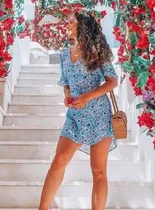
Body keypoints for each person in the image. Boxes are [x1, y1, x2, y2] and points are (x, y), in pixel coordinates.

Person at [38, 11, 118, 210]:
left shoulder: (98, 51)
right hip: (74, 115)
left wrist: (86, 97)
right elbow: (65, 83)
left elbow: (112, 81)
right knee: (59, 160)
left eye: (72, 22)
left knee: (98, 171)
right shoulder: (65, 54)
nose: (67, 24)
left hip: (99, 115)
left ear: (83, 26)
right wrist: (67, 96)